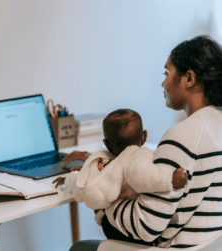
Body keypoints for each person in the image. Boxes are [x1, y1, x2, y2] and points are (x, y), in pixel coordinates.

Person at [69, 35, 222, 250]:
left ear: (189, 78)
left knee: (80, 247)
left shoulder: (182, 136)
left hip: (173, 247)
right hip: (207, 245)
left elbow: (146, 227)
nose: (162, 82)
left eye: (167, 73)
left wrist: (104, 198)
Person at [53, 109, 187, 226]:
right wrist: (171, 178)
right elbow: (147, 176)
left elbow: (80, 185)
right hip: (127, 223)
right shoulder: (138, 157)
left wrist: (67, 180)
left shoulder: (109, 165)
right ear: (144, 136)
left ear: (106, 144)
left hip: (114, 225)